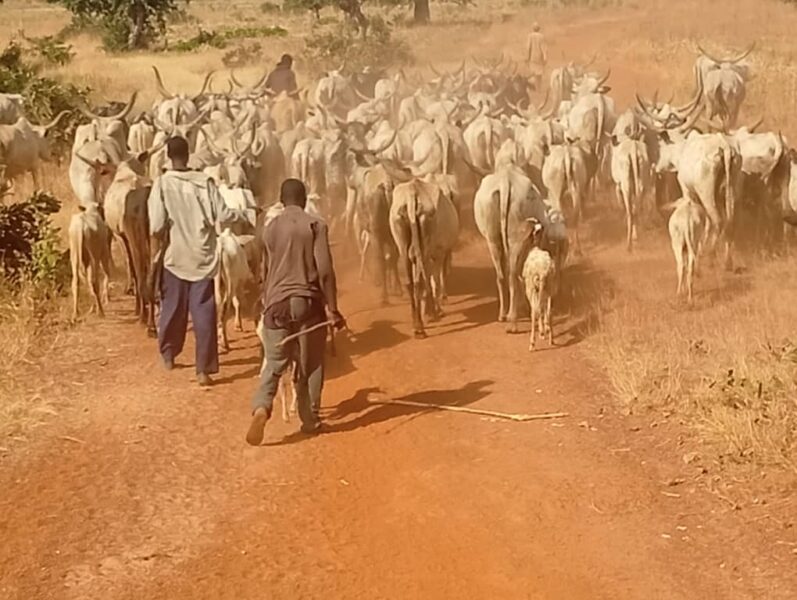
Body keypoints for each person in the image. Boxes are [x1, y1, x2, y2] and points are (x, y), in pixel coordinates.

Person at [246, 179, 345, 446]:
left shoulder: (269, 228)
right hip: (307, 303)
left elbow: (264, 273)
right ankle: (310, 419)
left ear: (281, 200)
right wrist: (333, 309)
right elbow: (324, 271)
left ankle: (261, 408)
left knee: (274, 362)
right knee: (311, 361)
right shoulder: (315, 225)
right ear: (303, 200)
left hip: (275, 305)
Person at [148, 136, 248, 387]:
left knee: (172, 307)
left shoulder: (161, 184)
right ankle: (203, 369)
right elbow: (223, 214)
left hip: (176, 256)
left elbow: (156, 225)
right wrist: (241, 213)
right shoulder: (205, 182)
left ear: (168, 157)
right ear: (189, 153)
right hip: (203, 256)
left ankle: (169, 354)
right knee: (203, 311)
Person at [527, 22, 548, 90]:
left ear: (533, 28)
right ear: (539, 29)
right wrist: (545, 57)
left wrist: (527, 57)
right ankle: (538, 87)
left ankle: (535, 87)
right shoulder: (542, 36)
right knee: (539, 74)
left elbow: (528, 47)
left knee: (533, 73)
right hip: (539, 58)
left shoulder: (530, 36)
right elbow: (544, 48)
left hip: (532, 57)